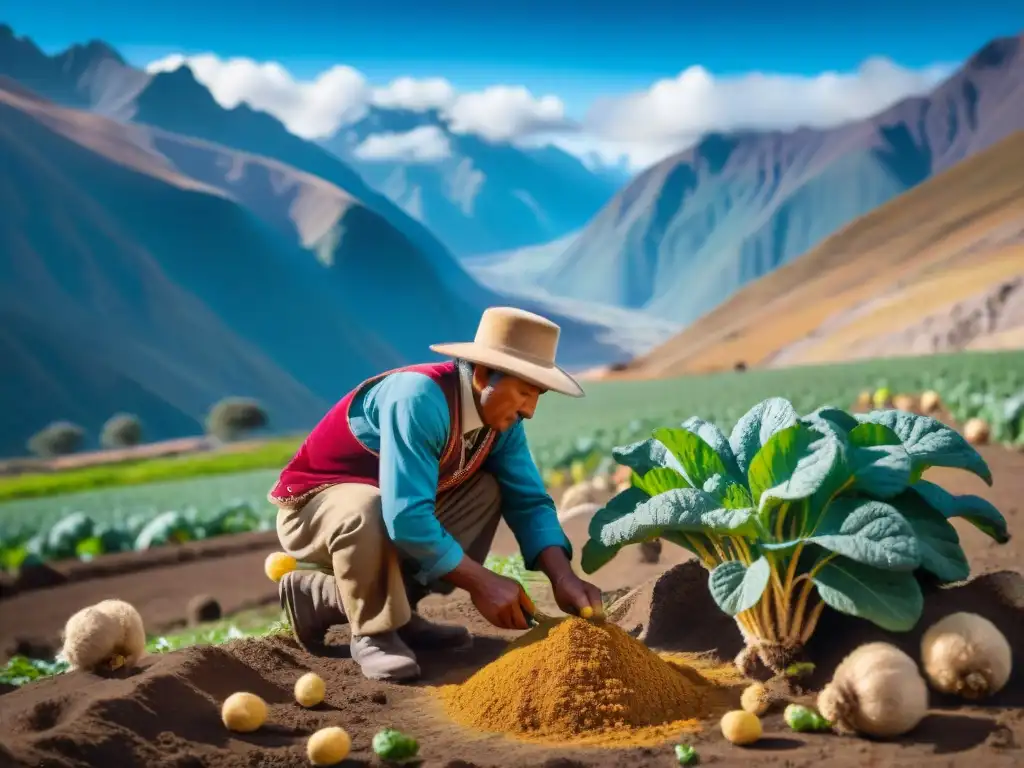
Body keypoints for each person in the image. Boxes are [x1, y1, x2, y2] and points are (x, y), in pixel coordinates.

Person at [268, 306, 604, 682]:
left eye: (537, 394)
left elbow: (529, 501)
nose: (530, 410)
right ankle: (374, 633)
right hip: (316, 508)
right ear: (480, 374)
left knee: (489, 490)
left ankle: (347, 601)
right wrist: (483, 582)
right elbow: (406, 519)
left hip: (388, 514)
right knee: (369, 506)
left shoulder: (502, 423)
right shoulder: (419, 398)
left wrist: (562, 578)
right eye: (524, 391)